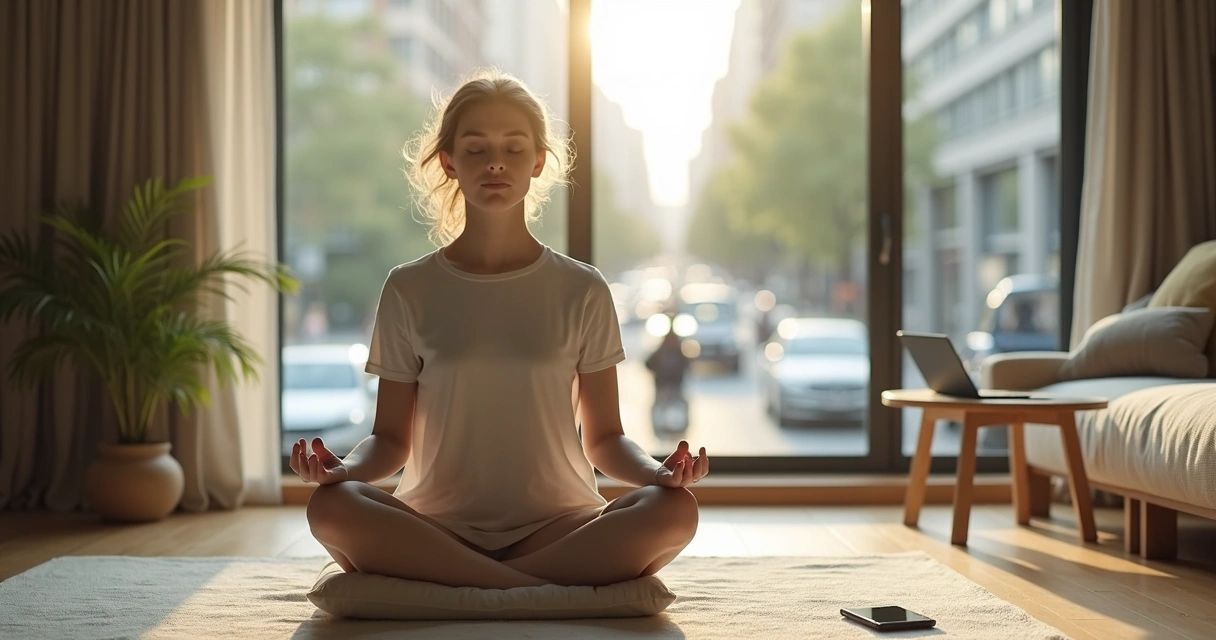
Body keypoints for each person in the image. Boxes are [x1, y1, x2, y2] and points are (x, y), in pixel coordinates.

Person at [291, 70, 709, 591]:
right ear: (448, 161)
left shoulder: (583, 288)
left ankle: (469, 588)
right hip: (434, 527)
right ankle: (526, 589)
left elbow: (605, 439)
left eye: (514, 148)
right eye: (476, 148)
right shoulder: (408, 287)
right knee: (332, 506)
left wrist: (658, 474)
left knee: (674, 512)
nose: (495, 162)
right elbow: (390, 440)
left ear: (537, 162)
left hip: (561, 526)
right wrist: (342, 471)